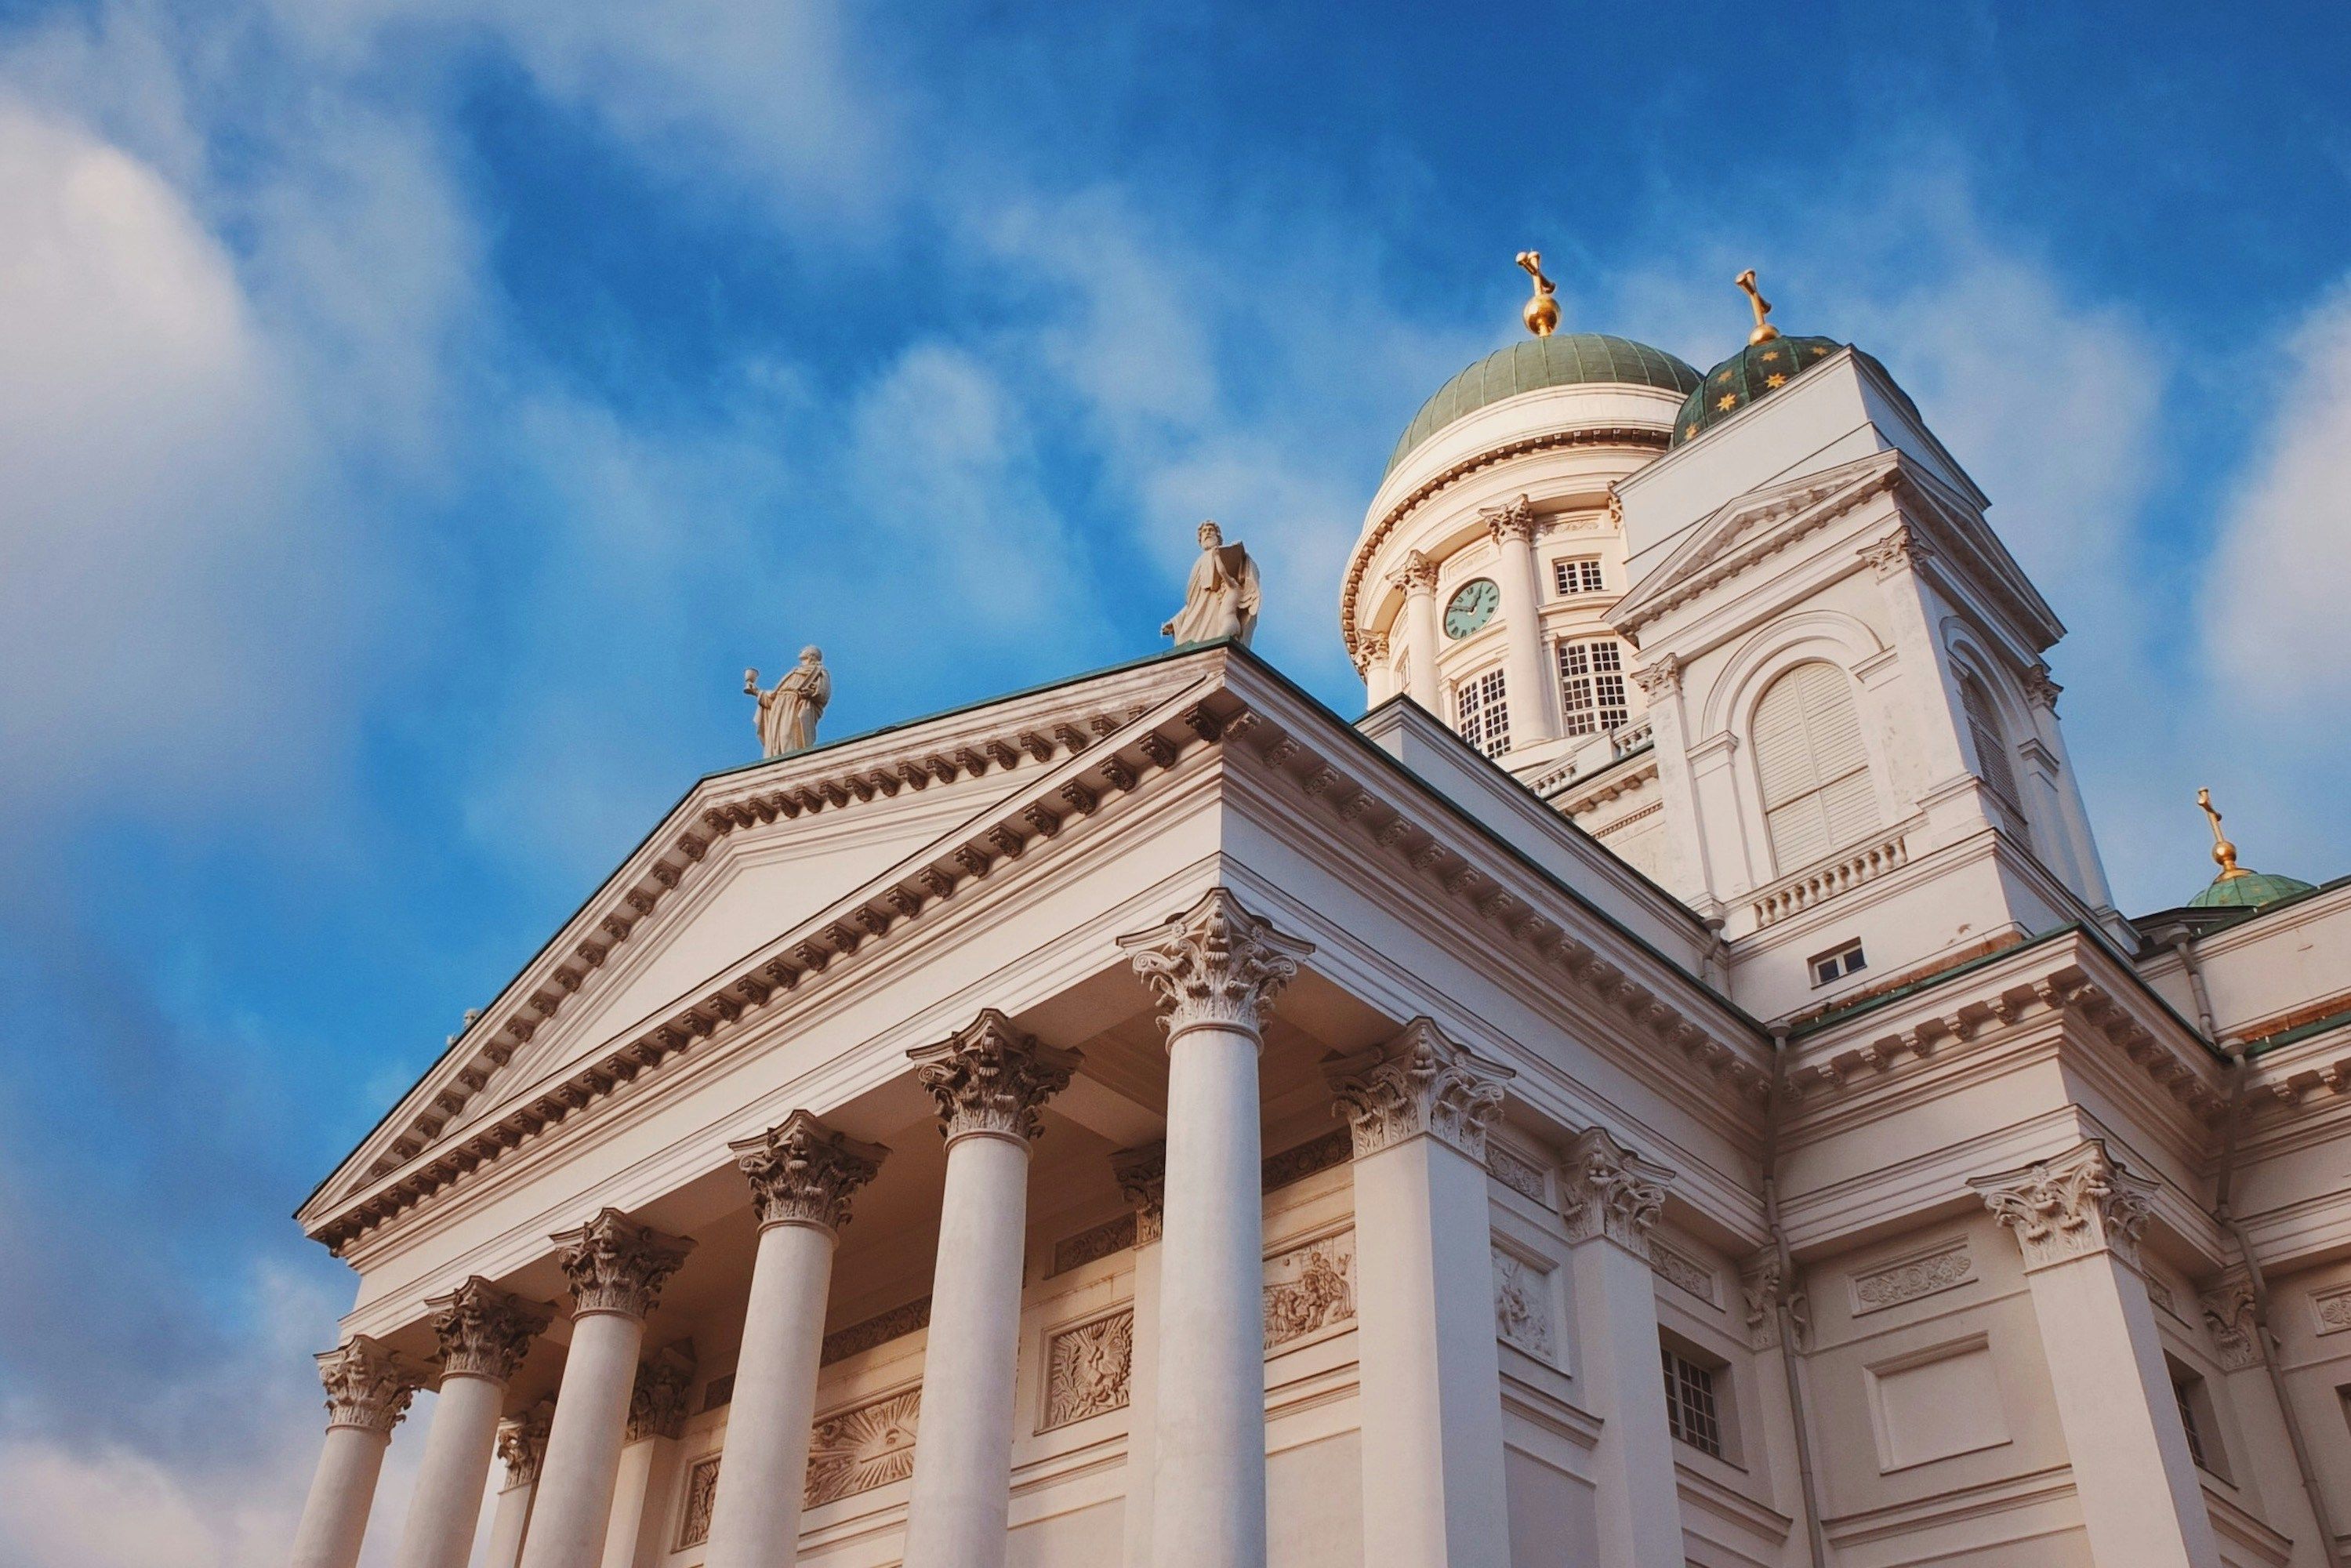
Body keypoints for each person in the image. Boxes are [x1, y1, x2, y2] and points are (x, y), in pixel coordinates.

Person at [1161, 520, 1261, 647]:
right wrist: (1176, 620)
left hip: (1217, 616)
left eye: (1211, 530)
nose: (1207, 533)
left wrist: (1240, 557)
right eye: (1204, 531)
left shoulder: (1222, 560)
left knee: (1217, 645)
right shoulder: (1199, 563)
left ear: (1218, 536)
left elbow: (1231, 573)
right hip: (1196, 619)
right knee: (1185, 646)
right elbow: (1194, 602)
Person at [745, 646, 831, 757]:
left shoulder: (819, 672)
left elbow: (824, 692)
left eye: (805, 649)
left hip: (796, 706)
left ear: (811, 655)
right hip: (779, 706)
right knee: (776, 739)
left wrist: (811, 693)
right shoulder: (794, 672)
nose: (801, 650)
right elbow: (774, 697)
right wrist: (756, 692)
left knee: (787, 736)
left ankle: (793, 764)